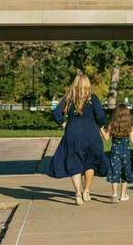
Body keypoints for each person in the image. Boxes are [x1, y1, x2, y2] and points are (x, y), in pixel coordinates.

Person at [47, 73, 109, 206]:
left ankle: (78, 194)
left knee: (74, 163)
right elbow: (101, 117)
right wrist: (100, 125)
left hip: (73, 133)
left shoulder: (69, 98)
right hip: (91, 134)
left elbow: (56, 113)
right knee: (90, 162)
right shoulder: (93, 99)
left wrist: (63, 123)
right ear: (88, 84)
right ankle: (87, 191)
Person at [100, 104, 133, 203]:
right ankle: (123, 195)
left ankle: (114, 194)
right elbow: (132, 137)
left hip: (115, 152)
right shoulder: (129, 124)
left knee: (115, 171)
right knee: (125, 171)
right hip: (125, 152)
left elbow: (106, 138)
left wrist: (100, 129)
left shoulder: (112, 124)